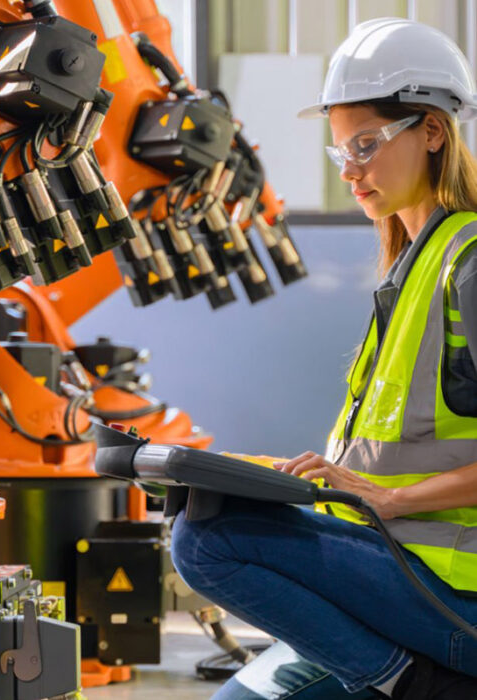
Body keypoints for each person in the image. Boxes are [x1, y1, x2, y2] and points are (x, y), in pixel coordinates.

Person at [171, 17, 477, 700]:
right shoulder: (406, 269)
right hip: (398, 568)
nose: (353, 170)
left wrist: (392, 500)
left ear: (433, 131)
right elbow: (390, 454)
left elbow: (392, 488)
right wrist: (289, 480)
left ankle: (413, 683)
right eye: (342, 153)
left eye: (367, 144)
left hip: (455, 593)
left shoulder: (469, 262)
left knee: (205, 540)